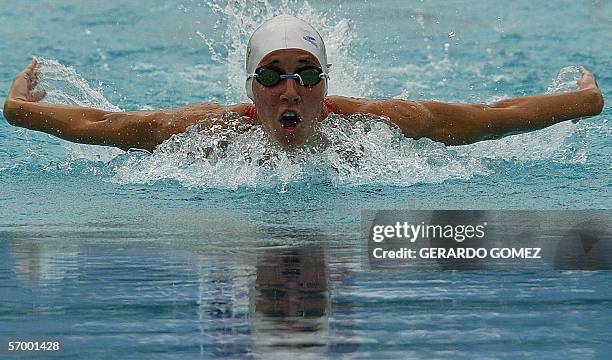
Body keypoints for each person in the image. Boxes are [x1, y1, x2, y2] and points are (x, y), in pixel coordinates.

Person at [3, 15, 604, 152]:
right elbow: (110, 127)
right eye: (272, 75)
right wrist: (18, 110)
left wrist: (585, 99)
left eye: (305, 75)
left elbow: (492, 116)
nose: (289, 90)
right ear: (251, 84)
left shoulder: (379, 124)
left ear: (325, 83)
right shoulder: (206, 132)